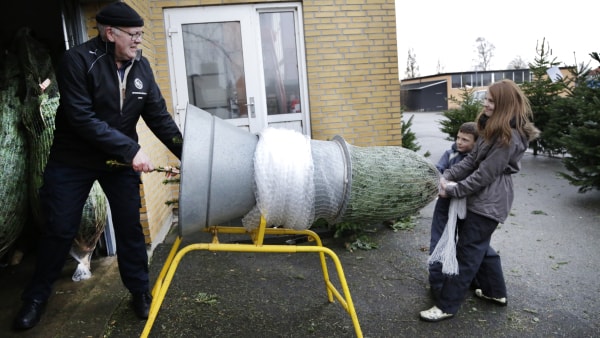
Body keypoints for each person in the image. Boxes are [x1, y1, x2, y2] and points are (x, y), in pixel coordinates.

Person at [14, 2, 183, 329]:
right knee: (60, 228)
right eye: (133, 35)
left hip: (118, 162)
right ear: (110, 33)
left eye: (140, 35)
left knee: (130, 227)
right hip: (72, 160)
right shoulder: (77, 61)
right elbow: (81, 118)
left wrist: (188, 154)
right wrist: (132, 149)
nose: (138, 42)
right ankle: (35, 298)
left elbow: (160, 119)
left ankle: (139, 292)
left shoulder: (142, 68)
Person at [419, 79, 539, 322]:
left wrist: (453, 191)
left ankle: (446, 305)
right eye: (486, 99)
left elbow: (485, 174)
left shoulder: (508, 137)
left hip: (489, 201)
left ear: (504, 105)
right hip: (480, 198)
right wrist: (445, 177)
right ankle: (495, 293)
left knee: (467, 253)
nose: (485, 103)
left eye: (492, 101)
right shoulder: (491, 129)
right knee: (479, 247)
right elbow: (472, 160)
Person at [428, 122, 478, 301]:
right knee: (439, 241)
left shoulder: (477, 159)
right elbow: (438, 171)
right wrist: (441, 182)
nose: (459, 142)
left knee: (466, 245)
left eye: (465, 139)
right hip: (444, 204)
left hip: (467, 208)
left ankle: (466, 280)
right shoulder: (450, 154)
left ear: (476, 143)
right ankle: (437, 284)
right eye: (458, 137)